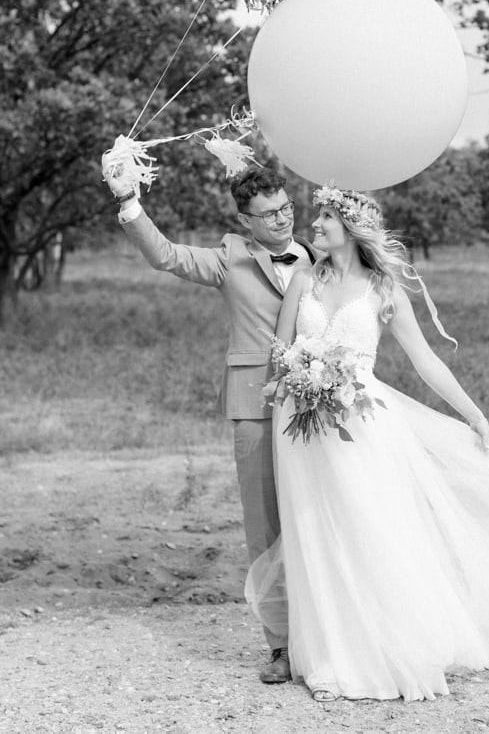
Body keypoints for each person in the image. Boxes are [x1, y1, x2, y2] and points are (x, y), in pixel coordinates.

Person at [246, 184, 489, 703]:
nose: (313, 227)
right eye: (316, 220)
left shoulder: (383, 290)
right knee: (313, 531)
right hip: (301, 424)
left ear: (351, 228)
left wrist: (473, 414)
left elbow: (426, 361)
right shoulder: (302, 280)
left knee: (366, 528)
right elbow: (283, 351)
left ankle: (381, 654)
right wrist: (294, 381)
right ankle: (327, 657)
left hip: (361, 424)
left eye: (323, 221)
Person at [102, 163, 311, 685]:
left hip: (318, 402)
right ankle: (281, 646)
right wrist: (129, 200)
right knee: (266, 524)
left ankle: (331, 633)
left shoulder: (317, 253)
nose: (283, 220)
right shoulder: (228, 259)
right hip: (254, 404)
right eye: (269, 215)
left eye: (287, 208)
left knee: (321, 515)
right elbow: (166, 256)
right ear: (246, 220)